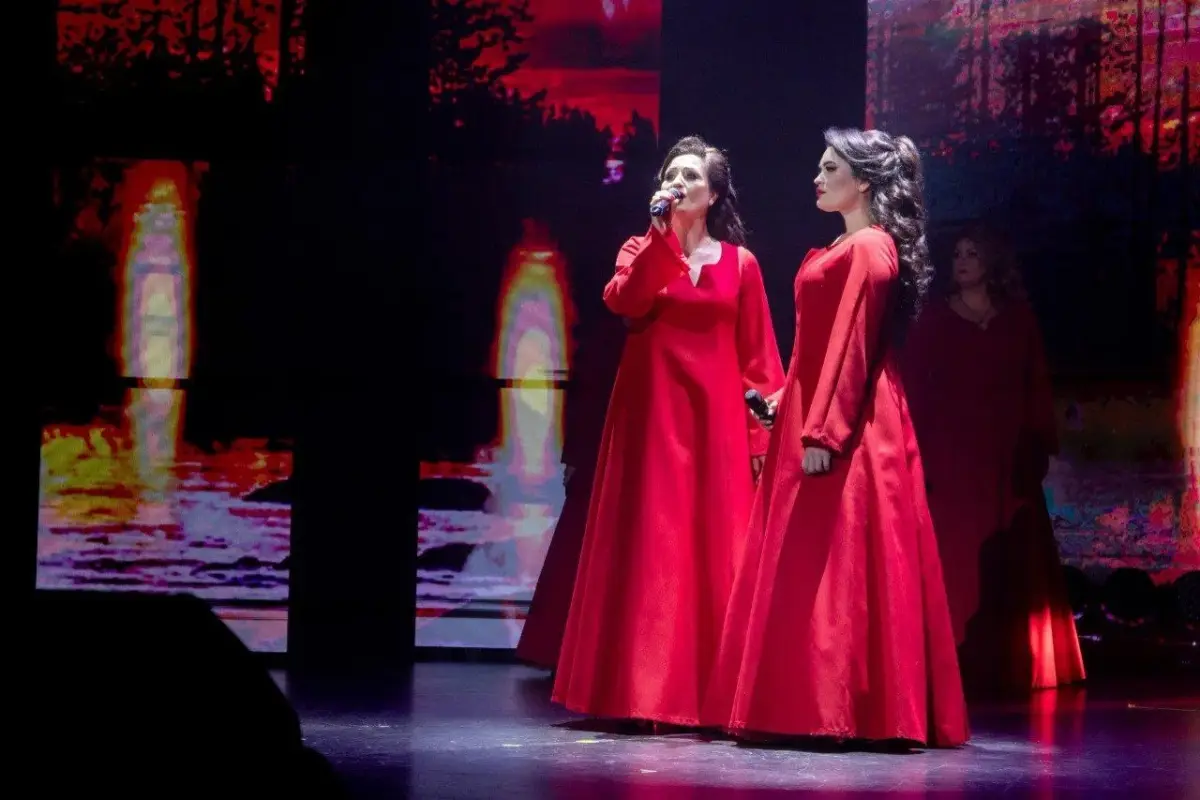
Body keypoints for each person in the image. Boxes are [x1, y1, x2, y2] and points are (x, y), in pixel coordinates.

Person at [701, 128, 969, 748]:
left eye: (830, 169)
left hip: (852, 426)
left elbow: (854, 343)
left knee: (840, 562)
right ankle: (804, 703)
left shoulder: (871, 247)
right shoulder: (845, 245)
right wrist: (784, 404)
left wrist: (824, 429)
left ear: (865, 181)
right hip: (817, 413)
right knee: (813, 563)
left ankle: (840, 708)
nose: (816, 179)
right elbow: (818, 345)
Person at [551, 135, 785, 727]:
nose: (679, 184)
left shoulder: (741, 264)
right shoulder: (639, 249)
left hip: (718, 424)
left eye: (691, 177)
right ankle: (645, 694)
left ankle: (715, 696)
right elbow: (625, 302)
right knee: (654, 549)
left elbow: (760, 360)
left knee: (717, 549)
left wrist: (762, 439)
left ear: (714, 195)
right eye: (671, 175)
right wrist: (662, 240)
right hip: (651, 421)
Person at [901, 225, 1086, 694]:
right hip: (952, 456)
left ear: (992, 261)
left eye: (972, 253)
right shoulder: (934, 319)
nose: (962, 261)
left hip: (1007, 455)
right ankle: (955, 664)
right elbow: (915, 388)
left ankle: (1016, 662)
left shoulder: (1018, 318)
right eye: (957, 254)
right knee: (958, 556)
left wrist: (1037, 441)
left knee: (1015, 556)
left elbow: (1035, 381)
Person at [515, 311, 627, 671]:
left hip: (641, 439)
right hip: (601, 443)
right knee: (581, 543)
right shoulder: (612, 324)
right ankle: (565, 648)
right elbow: (589, 389)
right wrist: (575, 454)